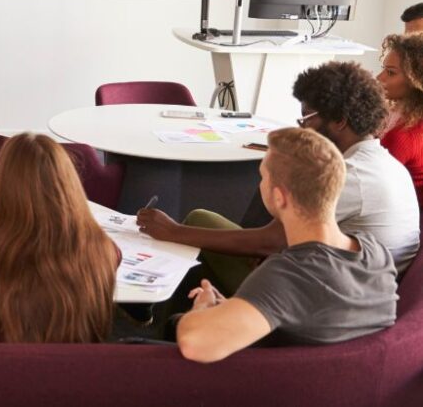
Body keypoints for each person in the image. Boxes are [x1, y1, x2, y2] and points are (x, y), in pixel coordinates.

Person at [138, 61, 419, 292]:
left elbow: (272, 241)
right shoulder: (381, 163)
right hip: (342, 278)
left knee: (191, 235)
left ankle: (168, 322)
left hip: (327, 295)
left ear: (340, 121)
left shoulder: (352, 177)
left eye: (307, 118)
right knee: (202, 221)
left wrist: (174, 232)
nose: (303, 127)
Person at [175, 127, 397, 363]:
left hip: (266, 377)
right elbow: (316, 314)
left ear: (279, 197)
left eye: (263, 177)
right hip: (341, 378)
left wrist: (202, 307)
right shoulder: (377, 254)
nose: (260, 183)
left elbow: (193, 343)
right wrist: (235, 308)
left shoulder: (287, 275)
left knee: (175, 323)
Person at [0, 133, 119, 343]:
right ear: (69, 182)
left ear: (4, 185)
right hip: (81, 362)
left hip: (7, 362)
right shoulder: (106, 249)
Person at [377, 33, 423, 200]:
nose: (379, 77)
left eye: (390, 73)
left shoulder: (402, 136)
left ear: (415, 80)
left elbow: (372, 181)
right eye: (383, 69)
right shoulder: (404, 115)